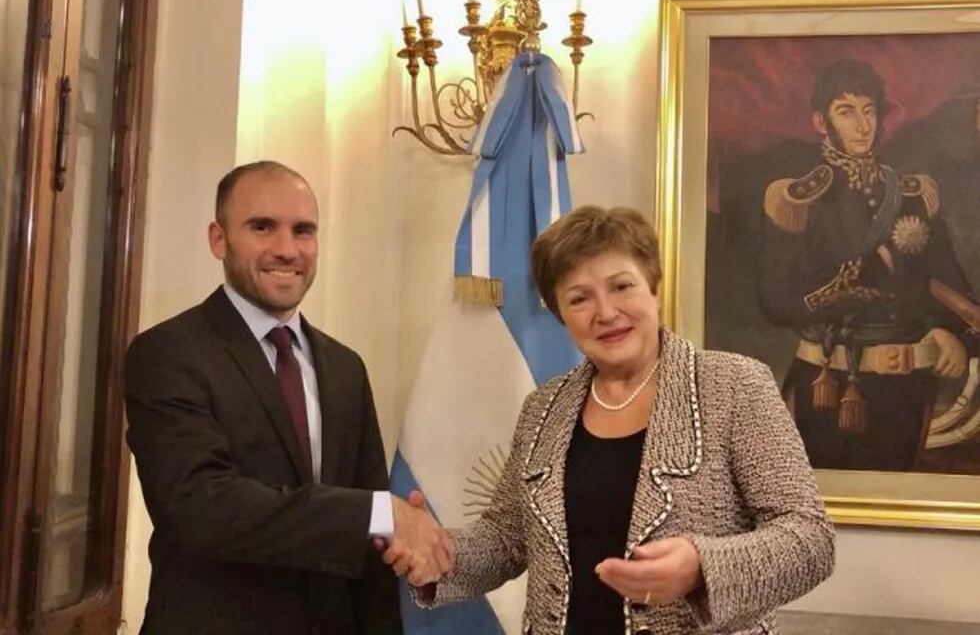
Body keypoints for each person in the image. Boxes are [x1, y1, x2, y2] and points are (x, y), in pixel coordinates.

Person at [393, 206, 834, 634]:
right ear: (560, 315)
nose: (605, 313)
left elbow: (810, 540)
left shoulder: (735, 385)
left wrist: (702, 566)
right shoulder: (544, 407)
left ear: (654, 287)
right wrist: (443, 554)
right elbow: (507, 538)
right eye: (579, 299)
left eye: (621, 287)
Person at [125, 161, 452, 634]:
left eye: (303, 231)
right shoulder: (167, 354)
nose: (286, 249)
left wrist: (395, 530)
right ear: (219, 239)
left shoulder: (344, 367)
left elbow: (369, 548)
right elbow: (203, 508)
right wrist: (380, 513)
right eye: (262, 227)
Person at [759, 59, 978, 472]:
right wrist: (832, 296)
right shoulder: (798, 199)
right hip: (826, 384)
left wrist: (950, 334)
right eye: (846, 111)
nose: (862, 125)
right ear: (821, 123)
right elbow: (774, 301)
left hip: (907, 390)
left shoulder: (913, 195)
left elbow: (948, 284)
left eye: (869, 110)